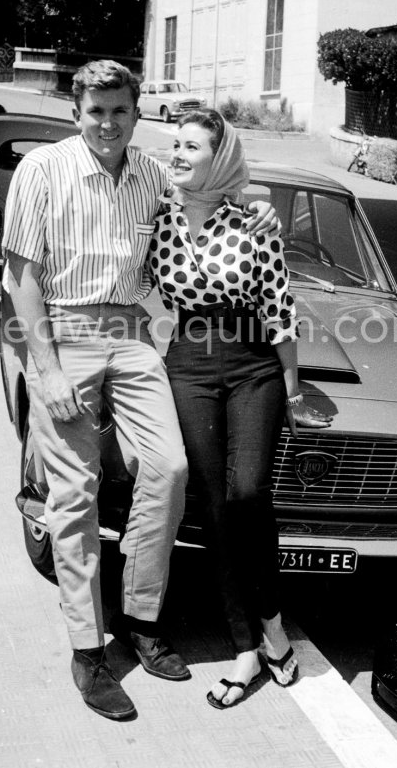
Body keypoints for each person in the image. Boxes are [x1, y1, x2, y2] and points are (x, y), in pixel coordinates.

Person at [2, 60, 279, 721]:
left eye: (120, 111)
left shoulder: (153, 173)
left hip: (130, 335)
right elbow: (20, 278)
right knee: (75, 490)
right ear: (77, 113)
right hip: (62, 330)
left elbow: (213, 190)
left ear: (135, 113)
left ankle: (141, 616)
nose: (107, 123)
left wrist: (259, 211)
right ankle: (88, 649)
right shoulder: (42, 170)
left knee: (169, 466)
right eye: (96, 111)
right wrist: (46, 368)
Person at [147, 108, 332, 709]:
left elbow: (279, 307)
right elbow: (137, 283)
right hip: (191, 362)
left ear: (218, 158)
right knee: (217, 506)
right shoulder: (159, 218)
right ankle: (246, 647)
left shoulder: (254, 222)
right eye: (175, 144)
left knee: (250, 491)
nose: (177, 154)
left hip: (254, 361)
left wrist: (294, 386)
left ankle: (274, 618)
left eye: (191, 146)